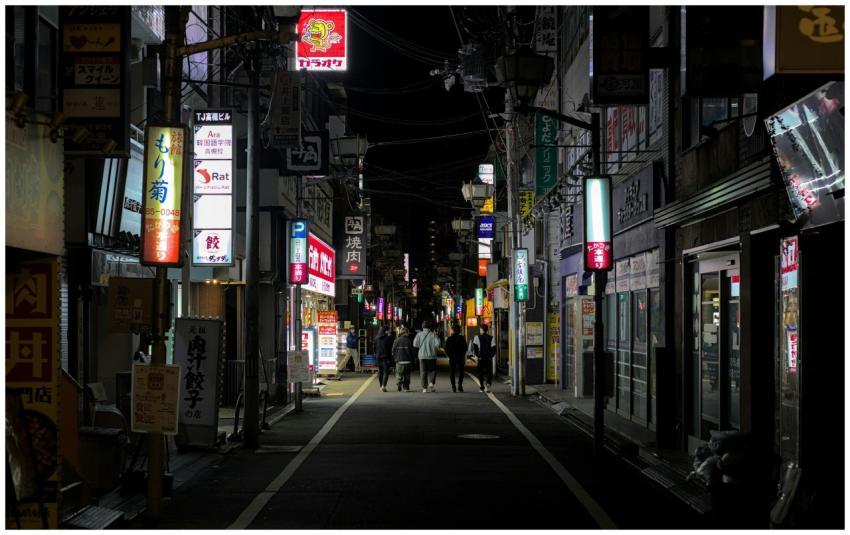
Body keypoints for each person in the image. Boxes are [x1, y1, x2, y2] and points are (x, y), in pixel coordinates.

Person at [412, 319, 441, 392]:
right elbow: (438, 344)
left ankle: (424, 388)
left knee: (423, 371)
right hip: (432, 356)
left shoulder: (419, 335)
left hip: (422, 356)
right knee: (433, 370)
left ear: (422, 327)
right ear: (430, 327)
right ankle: (431, 382)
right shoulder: (433, 334)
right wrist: (433, 348)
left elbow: (415, 344)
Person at [471, 324, 496, 393]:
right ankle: (488, 383)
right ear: (487, 330)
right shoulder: (491, 338)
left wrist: (478, 356)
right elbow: (494, 349)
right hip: (488, 358)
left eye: (480, 329)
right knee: (489, 372)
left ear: (481, 330)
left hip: (481, 358)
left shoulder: (477, 337)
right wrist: (490, 356)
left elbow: (475, 348)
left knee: (480, 373)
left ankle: (482, 386)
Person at [444, 323, 468, 392]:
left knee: (452, 372)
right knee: (461, 372)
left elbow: (446, 349)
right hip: (460, 357)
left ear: (453, 330)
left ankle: (453, 386)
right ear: (459, 330)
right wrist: (463, 354)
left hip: (452, 357)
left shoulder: (449, 338)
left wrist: (449, 355)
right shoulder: (462, 338)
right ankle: (460, 385)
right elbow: (465, 348)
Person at [392, 327, 414, 391]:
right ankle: (406, 387)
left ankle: (399, 384)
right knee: (407, 375)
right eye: (407, 332)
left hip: (399, 360)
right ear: (405, 333)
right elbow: (412, 351)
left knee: (399, 374)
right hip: (408, 361)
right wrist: (412, 359)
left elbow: (393, 350)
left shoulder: (396, 340)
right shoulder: (409, 340)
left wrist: (395, 358)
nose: (408, 334)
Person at [375, 326, 394, 392]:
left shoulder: (376, 338)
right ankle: (383, 385)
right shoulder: (388, 338)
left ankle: (381, 386)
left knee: (380, 372)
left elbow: (374, 348)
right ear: (386, 331)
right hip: (386, 357)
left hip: (378, 357)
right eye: (388, 330)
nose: (389, 331)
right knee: (386, 372)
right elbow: (390, 347)